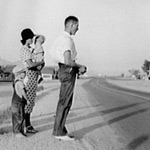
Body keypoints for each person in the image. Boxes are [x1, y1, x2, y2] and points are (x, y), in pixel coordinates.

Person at [50, 16, 87, 141]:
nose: (78, 28)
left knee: (64, 101)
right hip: (68, 70)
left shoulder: (60, 38)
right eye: (77, 25)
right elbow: (68, 61)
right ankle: (58, 132)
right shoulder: (67, 40)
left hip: (63, 69)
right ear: (71, 25)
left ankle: (60, 129)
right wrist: (80, 66)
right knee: (65, 102)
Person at [20, 28, 45, 134]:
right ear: (27, 38)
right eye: (31, 38)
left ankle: (26, 125)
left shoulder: (28, 50)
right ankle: (27, 125)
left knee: (30, 101)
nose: (32, 39)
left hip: (32, 77)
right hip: (29, 77)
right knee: (28, 101)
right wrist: (40, 63)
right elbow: (30, 65)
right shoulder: (24, 50)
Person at [11, 65, 29, 138]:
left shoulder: (16, 81)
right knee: (19, 117)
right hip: (18, 102)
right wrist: (27, 99)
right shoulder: (20, 83)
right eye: (24, 72)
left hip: (16, 102)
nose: (25, 74)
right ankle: (17, 132)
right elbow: (22, 92)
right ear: (18, 74)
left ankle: (20, 131)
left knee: (18, 116)